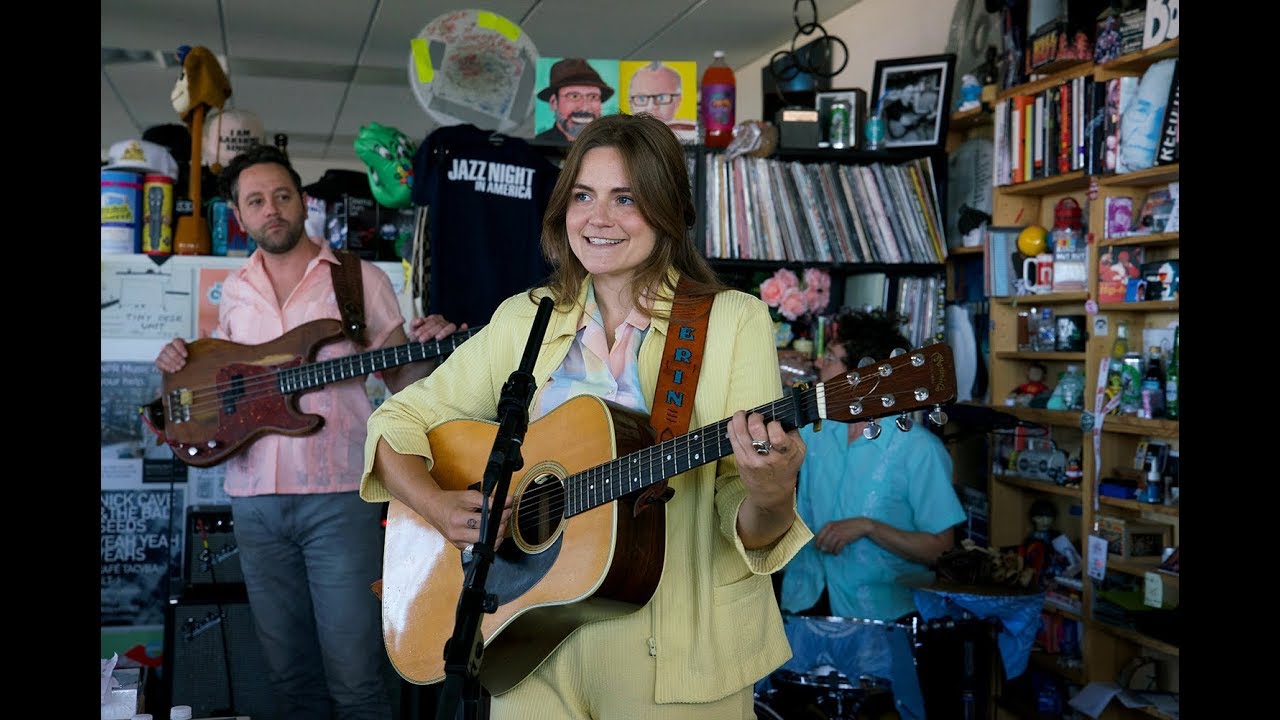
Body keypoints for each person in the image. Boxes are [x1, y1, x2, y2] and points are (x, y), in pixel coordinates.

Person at [362, 113, 813, 719]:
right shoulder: (526, 318)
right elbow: (396, 422)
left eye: (624, 198)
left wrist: (772, 491)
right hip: (527, 644)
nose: (598, 218)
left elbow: (748, 522)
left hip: (676, 650)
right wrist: (440, 506)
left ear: (668, 209)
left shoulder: (733, 320)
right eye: (583, 196)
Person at [153, 144, 464, 720]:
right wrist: (176, 361)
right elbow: (221, 388)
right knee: (288, 679)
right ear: (240, 217)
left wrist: (431, 351)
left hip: (338, 500)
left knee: (356, 677)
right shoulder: (234, 292)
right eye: (255, 201)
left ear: (301, 202)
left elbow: (402, 382)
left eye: (281, 195)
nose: (271, 209)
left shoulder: (356, 278)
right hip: (253, 504)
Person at [780, 308, 966, 623]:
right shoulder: (818, 432)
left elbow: (940, 549)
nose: (819, 364)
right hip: (803, 600)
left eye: (831, 358)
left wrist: (869, 527)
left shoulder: (920, 449)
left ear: (862, 376)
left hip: (880, 615)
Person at [535, 58, 615, 145]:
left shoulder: (612, 144)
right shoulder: (536, 145)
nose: (585, 108)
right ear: (554, 102)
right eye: (574, 96)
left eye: (593, 97)